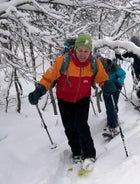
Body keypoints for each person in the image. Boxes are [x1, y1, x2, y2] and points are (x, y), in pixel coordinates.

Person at [28, 33, 108, 169]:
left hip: (82, 98)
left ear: (90, 51)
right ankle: (77, 151)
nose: (83, 54)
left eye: (86, 51)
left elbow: (102, 79)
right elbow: (49, 78)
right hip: (64, 99)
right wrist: (39, 90)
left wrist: (107, 85)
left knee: (81, 125)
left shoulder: (95, 63)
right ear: (75, 49)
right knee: (70, 127)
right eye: (80, 50)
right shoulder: (63, 61)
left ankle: (89, 154)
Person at [115, 36, 140, 104]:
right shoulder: (131, 50)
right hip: (135, 70)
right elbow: (124, 56)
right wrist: (118, 55)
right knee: (137, 83)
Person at [100, 57, 126, 137]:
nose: (103, 69)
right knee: (108, 105)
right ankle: (112, 118)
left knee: (112, 105)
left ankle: (112, 125)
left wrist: (118, 83)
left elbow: (123, 74)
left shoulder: (114, 67)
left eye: (104, 67)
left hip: (115, 87)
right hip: (106, 88)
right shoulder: (99, 68)